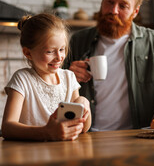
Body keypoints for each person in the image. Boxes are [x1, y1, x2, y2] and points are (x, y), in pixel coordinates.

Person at [64, 0, 154, 131]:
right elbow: (54, 92)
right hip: (87, 134)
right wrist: (67, 77)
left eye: (123, 6)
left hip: (138, 136)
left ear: (135, 12)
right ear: (102, 3)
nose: (113, 11)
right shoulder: (78, 40)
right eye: (109, 2)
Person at [1, 13, 91, 141]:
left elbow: (83, 128)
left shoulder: (69, 78)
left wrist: (84, 102)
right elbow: (7, 128)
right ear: (28, 53)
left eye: (62, 49)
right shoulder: (22, 79)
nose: (59, 57)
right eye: (49, 51)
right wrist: (46, 132)